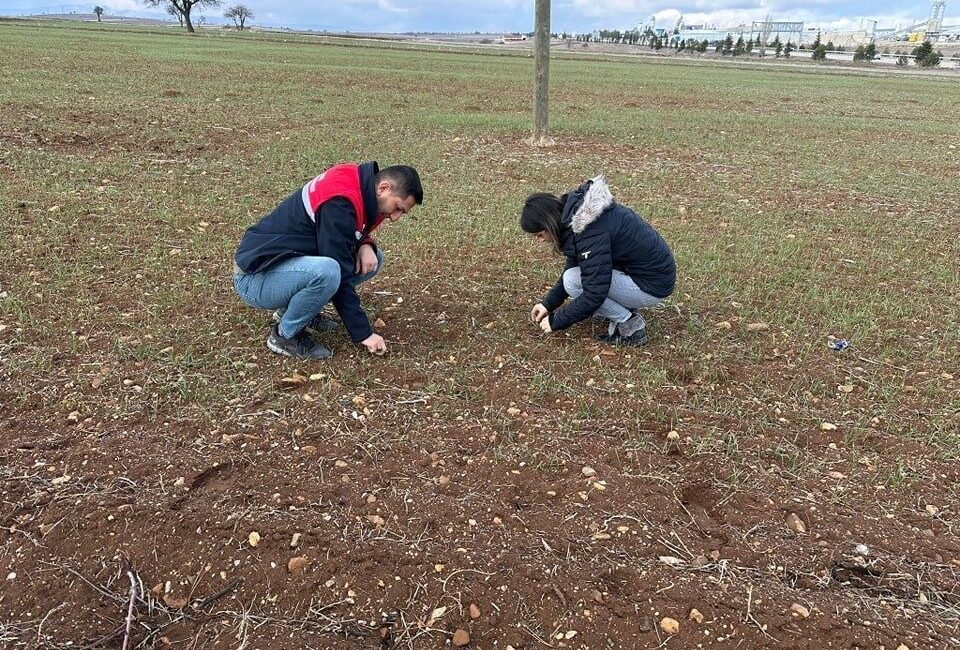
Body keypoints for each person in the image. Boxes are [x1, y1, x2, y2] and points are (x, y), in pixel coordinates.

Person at [233, 161, 423, 359]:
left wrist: (365, 243)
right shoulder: (340, 201)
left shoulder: (360, 183)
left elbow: (345, 229)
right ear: (384, 188)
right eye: (398, 208)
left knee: (373, 259)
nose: (395, 217)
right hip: (254, 278)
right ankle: (285, 336)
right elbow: (339, 268)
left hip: (282, 264)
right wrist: (363, 333)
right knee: (330, 271)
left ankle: (298, 312)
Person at [520, 175, 675, 346]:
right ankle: (622, 307)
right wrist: (548, 304)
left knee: (573, 282)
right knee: (574, 277)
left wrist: (557, 320)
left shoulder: (590, 230)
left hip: (652, 286)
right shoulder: (575, 217)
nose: (540, 240)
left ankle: (630, 325)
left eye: (540, 235)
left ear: (549, 223)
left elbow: (594, 292)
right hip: (644, 275)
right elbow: (578, 265)